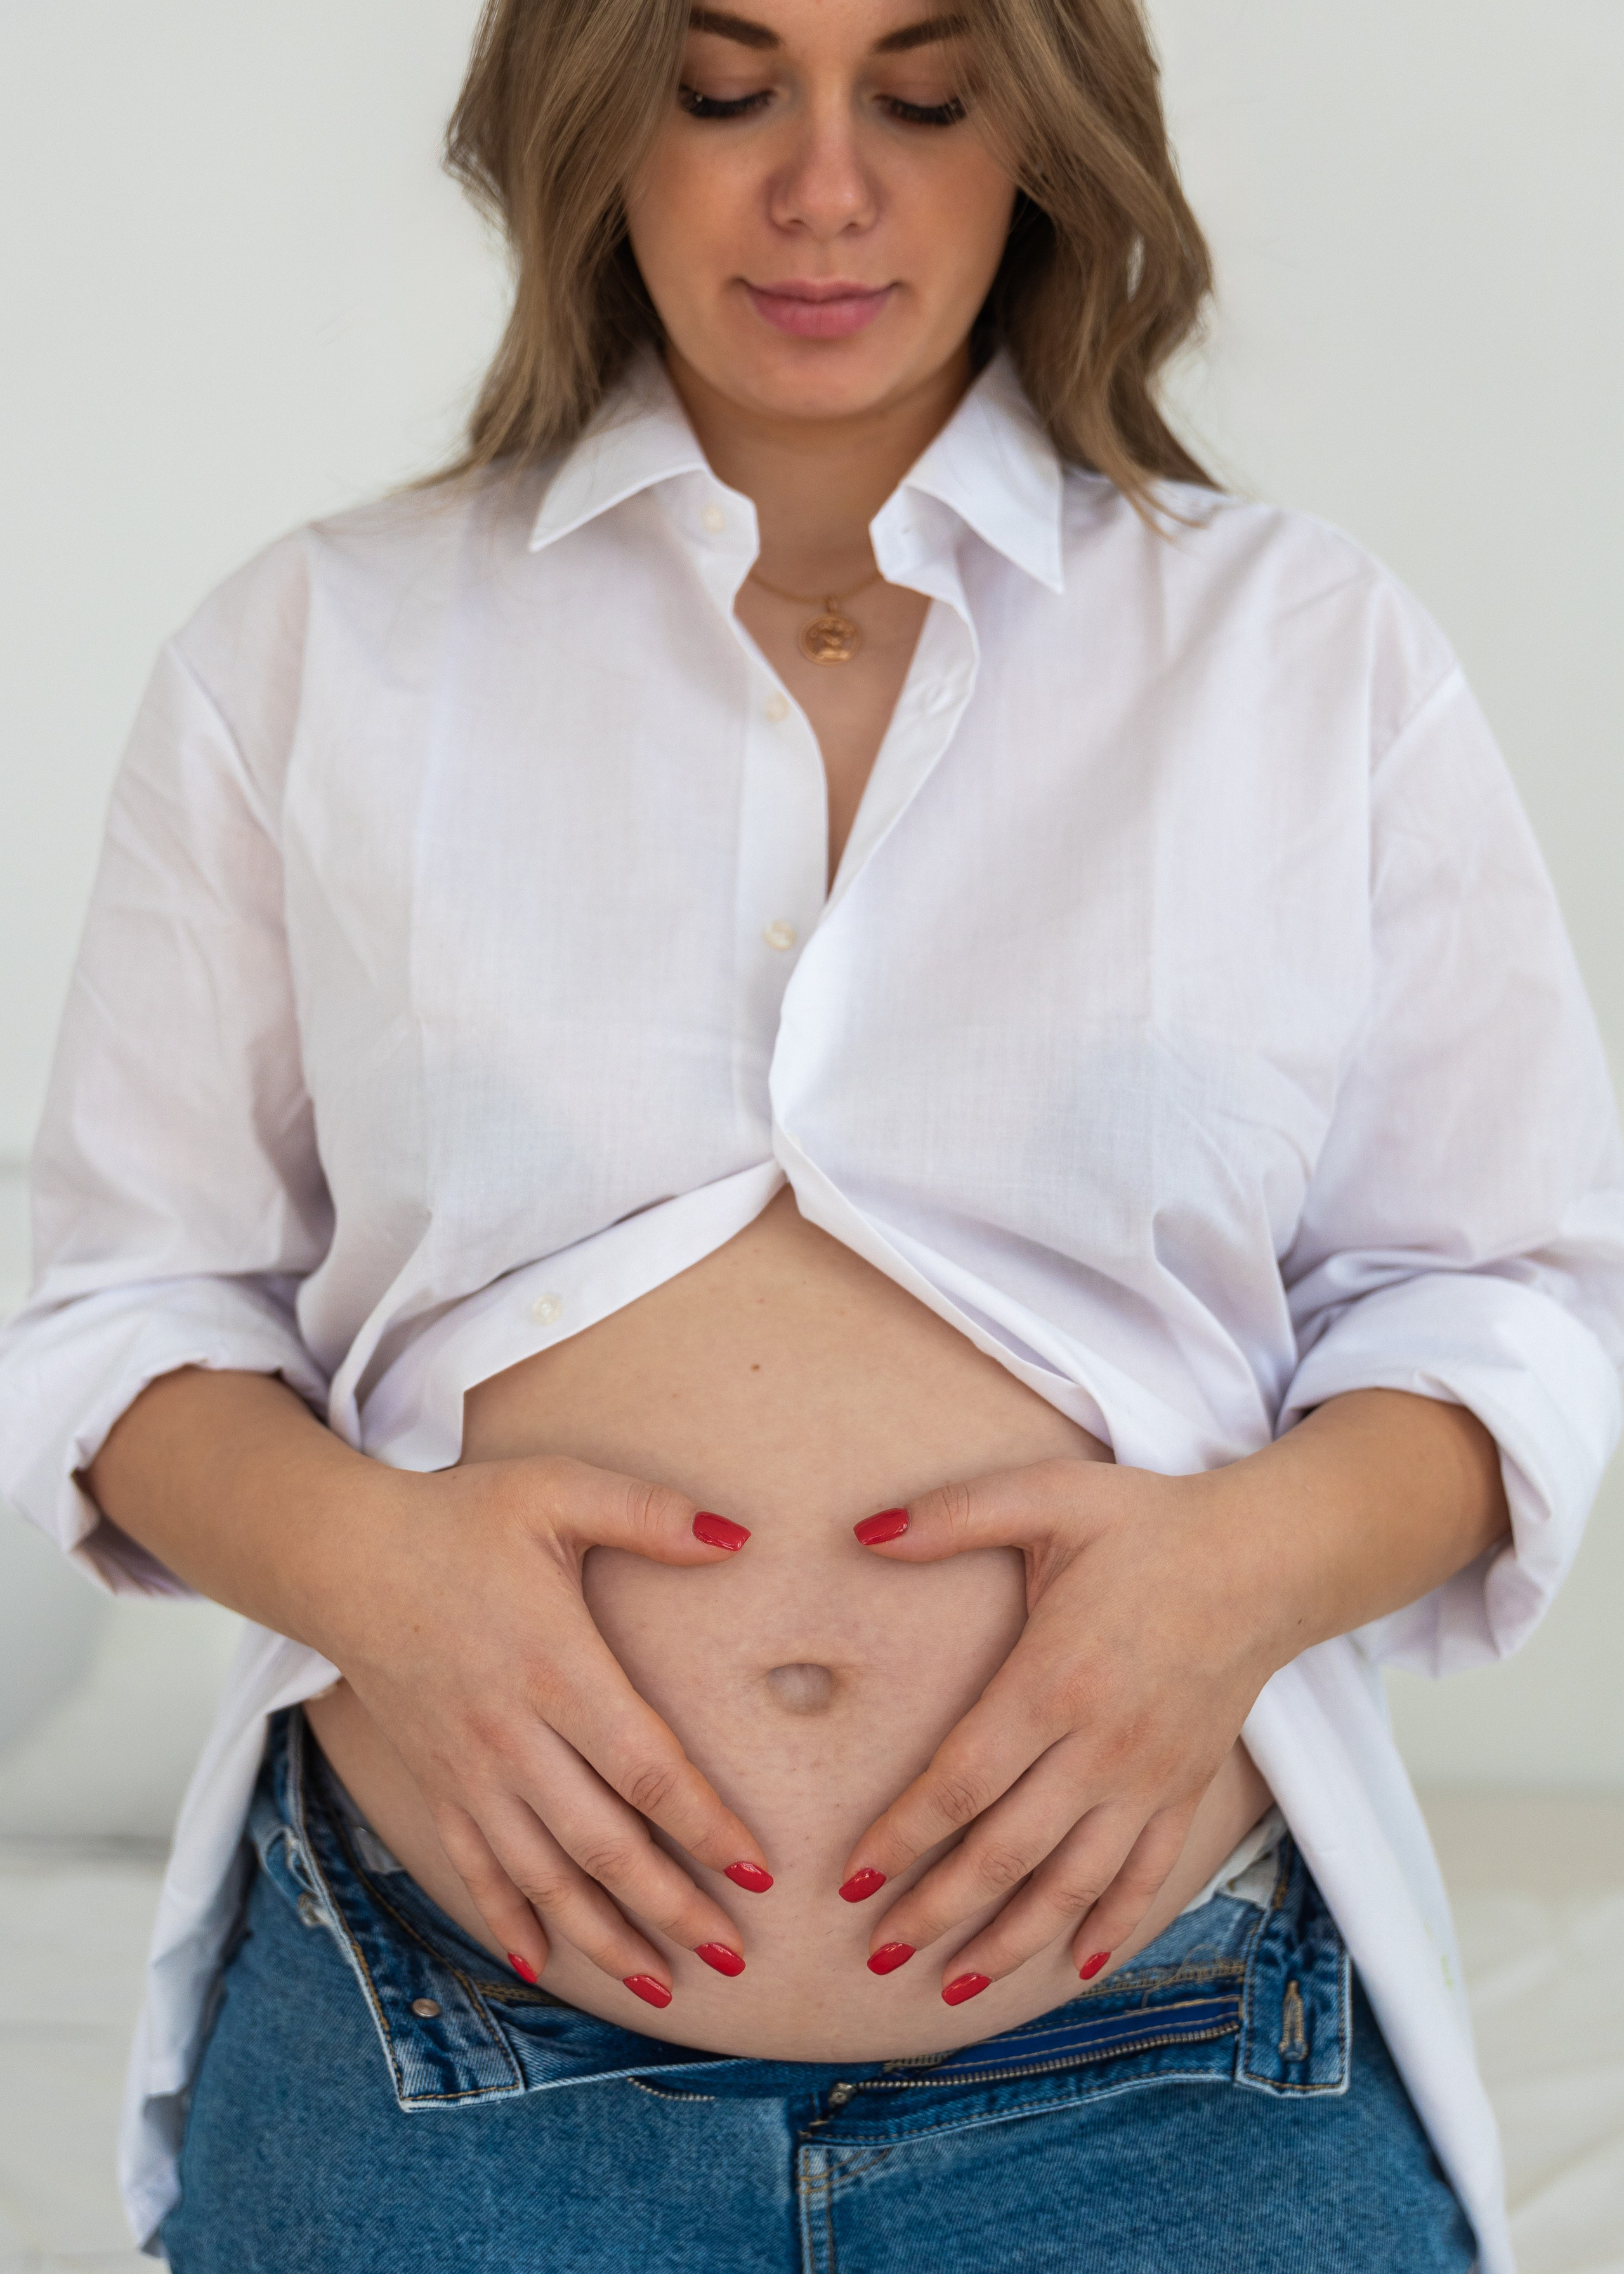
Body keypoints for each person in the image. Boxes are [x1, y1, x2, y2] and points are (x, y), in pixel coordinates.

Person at [3, 0, 1620, 2266]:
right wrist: (374, 1575)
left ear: (1044, 138)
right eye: (727, 89)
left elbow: (1504, 1301)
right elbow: (129, 1310)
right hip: (437, 2060)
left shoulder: (1301, 652)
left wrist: (1229, 1586)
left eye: (928, 97)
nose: (828, 188)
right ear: (590, 130)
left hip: (1172, 2066)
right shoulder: (316, 650)